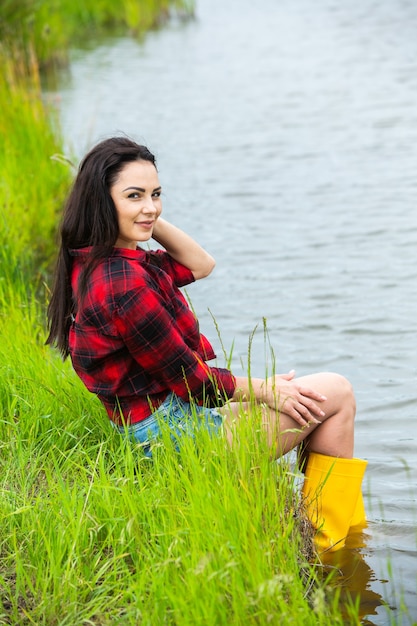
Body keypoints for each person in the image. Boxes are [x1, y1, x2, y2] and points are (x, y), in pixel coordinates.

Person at [46, 136, 367, 552]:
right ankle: (335, 547)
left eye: (156, 194)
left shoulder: (101, 260)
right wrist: (269, 388)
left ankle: (330, 539)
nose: (151, 205)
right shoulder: (123, 284)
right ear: (101, 201)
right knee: (335, 393)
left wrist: (143, 217)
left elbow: (201, 264)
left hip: (159, 422)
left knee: (311, 396)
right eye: (134, 195)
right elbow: (195, 384)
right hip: (172, 438)